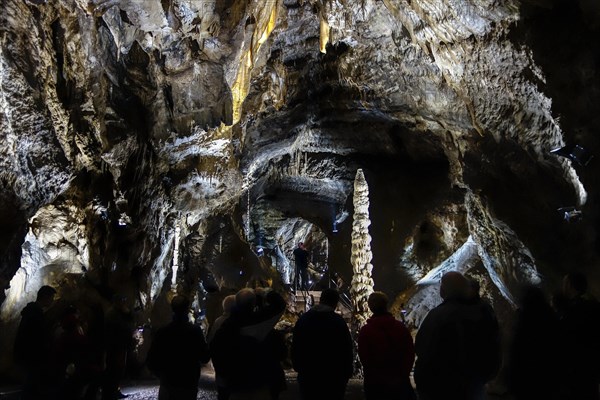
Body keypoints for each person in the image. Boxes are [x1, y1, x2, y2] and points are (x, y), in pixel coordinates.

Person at [414, 272, 500, 400]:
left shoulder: (438, 315)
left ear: (444, 290)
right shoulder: (484, 311)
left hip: (444, 387)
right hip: (474, 384)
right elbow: (494, 347)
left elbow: (423, 349)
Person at [211, 288, 286, 400]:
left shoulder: (225, 328)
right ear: (253, 304)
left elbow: (216, 354)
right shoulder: (260, 322)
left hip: (235, 385)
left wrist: (225, 377)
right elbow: (279, 304)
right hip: (259, 383)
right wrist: (265, 292)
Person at [292, 288, 353, 400]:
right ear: (335, 303)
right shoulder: (338, 322)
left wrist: (298, 366)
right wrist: (347, 371)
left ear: (320, 300)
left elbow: (296, 345)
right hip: (333, 376)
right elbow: (346, 348)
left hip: (309, 374)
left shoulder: (304, 320)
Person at [146, 295, 210, 400]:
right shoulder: (195, 331)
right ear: (187, 309)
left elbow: (151, 360)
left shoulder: (163, 332)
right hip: (188, 383)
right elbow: (205, 357)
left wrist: (162, 376)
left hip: (168, 383)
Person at [506, 285, 561, 400]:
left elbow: (516, 353)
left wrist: (511, 382)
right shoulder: (553, 319)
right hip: (548, 378)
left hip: (526, 379)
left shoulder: (524, 321)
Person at [358, 291, 416, 400]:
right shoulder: (400, 329)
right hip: (399, 383)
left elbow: (365, 358)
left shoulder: (366, 331)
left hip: (376, 385)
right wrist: (403, 374)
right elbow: (409, 352)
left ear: (370, 307)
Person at [559, 272, 600, 400]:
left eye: (565, 284)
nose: (563, 287)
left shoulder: (573, 310)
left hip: (577, 369)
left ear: (570, 285)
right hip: (592, 367)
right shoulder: (593, 305)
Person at [14, 285, 57, 400]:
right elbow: (35, 337)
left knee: (29, 385)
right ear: (45, 297)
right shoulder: (36, 313)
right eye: (51, 298)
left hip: (28, 356)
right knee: (30, 386)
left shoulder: (32, 311)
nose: (52, 301)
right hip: (32, 357)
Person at [102, 295, 134, 400]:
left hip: (120, 345)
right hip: (116, 346)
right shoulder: (112, 314)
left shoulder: (118, 313)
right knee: (114, 369)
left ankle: (114, 390)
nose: (123, 303)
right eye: (121, 300)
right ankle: (110, 392)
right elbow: (121, 327)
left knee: (118, 369)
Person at [207, 295, 236, 400]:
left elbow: (211, 341)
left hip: (220, 363)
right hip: (234, 364)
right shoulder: (239, 322)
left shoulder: (218, 321)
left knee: (223, 391)